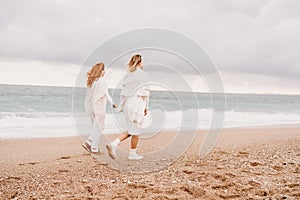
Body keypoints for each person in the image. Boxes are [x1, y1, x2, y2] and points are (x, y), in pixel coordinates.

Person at [106, 54, 150, 160]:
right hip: (137, 103)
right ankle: (130, 152)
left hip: (128, 104)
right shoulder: (142, 75)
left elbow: (123, 93)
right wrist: (146, 107)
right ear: (140, 62)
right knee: (136, 130)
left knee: (132, 129)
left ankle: (116, 145)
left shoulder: (128, 75)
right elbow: (146, 93)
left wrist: (121, 106)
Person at [82, 62, 117, 155]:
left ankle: (93, 147)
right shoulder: (102, 81)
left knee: (96, 127)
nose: (104, 71)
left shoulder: (91, 81)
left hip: (91, 107)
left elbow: (88, 96)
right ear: (101, 71)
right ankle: (90, 143)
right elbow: (106, 94)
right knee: (98, 127)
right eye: (103, 69)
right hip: (99, 107)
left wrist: (88, 107)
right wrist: (113, 103)